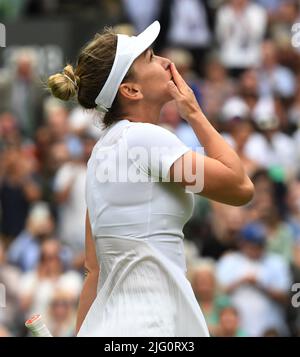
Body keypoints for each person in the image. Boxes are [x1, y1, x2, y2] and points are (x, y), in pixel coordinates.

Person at [48, 21, 254, 337]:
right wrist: (195, 113)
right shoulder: (145, 140)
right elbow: (240, 188)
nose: (167, 63)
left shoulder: (100, 154)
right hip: (151, 326)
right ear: (131, 90)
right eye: (152, 57)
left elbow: (94, 270)